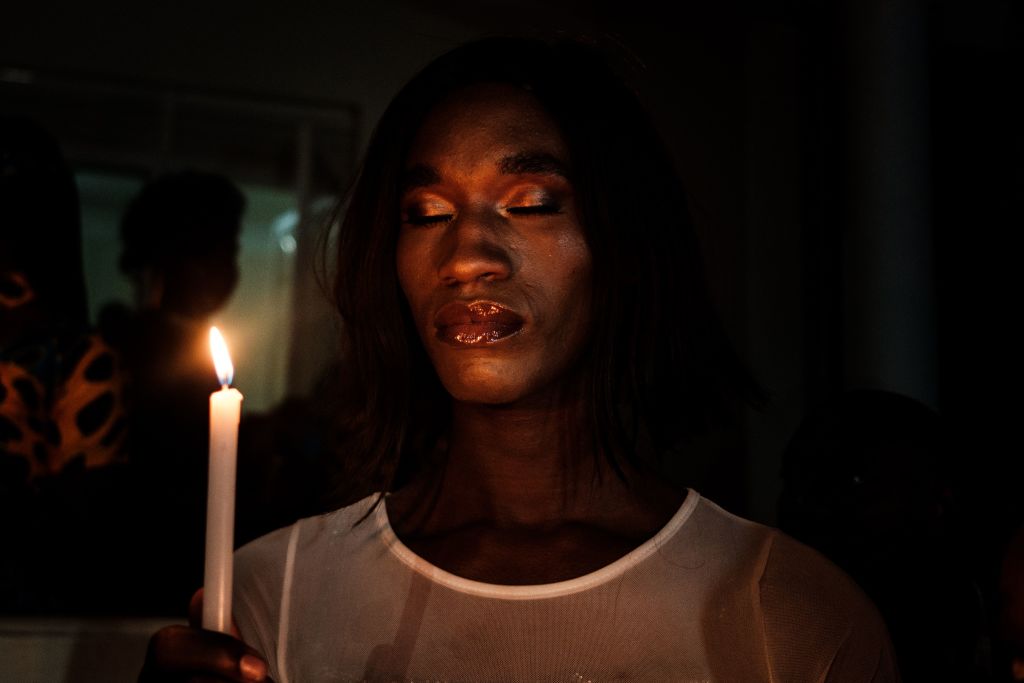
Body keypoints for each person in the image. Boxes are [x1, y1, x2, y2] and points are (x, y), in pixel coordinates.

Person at [140, 38, 898, 681]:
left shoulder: (787, 614)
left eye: (532, 202)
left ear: (623, 241)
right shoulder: (275, 593)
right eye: (427, 214)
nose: (466, 256)